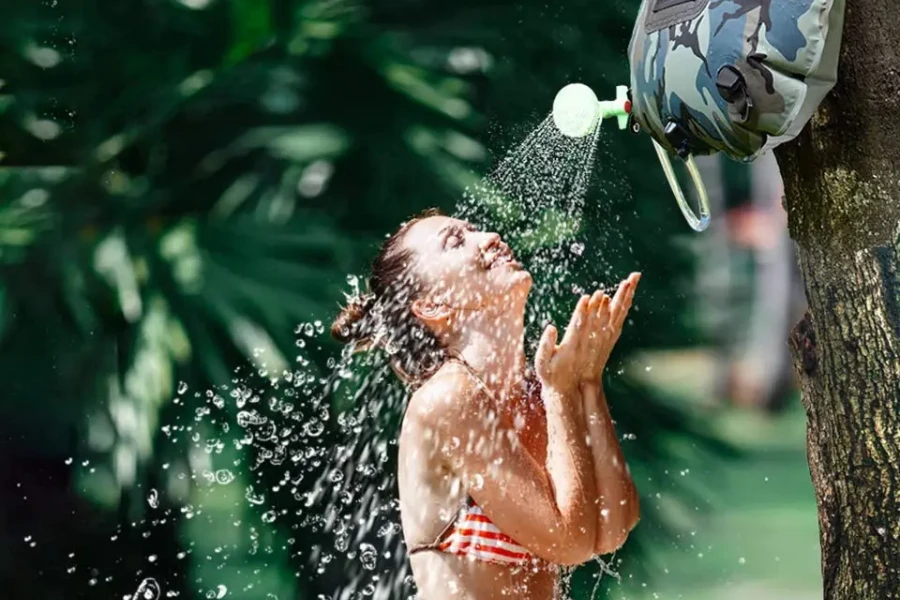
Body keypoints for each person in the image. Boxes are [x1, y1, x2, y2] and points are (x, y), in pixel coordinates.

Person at [331, 208, 641, 599]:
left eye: (473, 229)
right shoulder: (449, 399)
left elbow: (612, 528)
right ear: (433, 306)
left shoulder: (538, 388)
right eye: (455, 241)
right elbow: (571, 542)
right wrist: (562, 393)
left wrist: (587, 384)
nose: (490, 237)